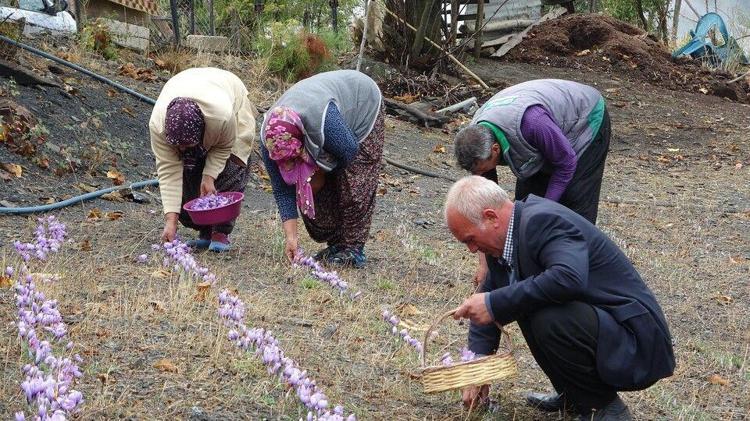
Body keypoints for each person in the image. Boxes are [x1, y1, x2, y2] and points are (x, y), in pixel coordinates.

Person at [443, 176, 675, 421]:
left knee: (546, 316)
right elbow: (490, 300)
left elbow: (569, 278)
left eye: (469, 239)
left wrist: (494, 303)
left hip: (636, 341)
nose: (471, 249)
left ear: (491, 218)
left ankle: (604, 408)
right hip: (607, 330)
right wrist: (478, 367)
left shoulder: (542, 221)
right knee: (525, 300)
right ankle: (575, 394)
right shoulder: (501, 243)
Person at [453, 79, 611, 285]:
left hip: (586, 120)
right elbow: (486, 211)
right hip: (541, 132)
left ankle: (577, 276)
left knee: (573, 206)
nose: (479, 175)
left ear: (494, 150)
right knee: (524, 208)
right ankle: (529, 277)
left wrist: (544, 210)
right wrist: (484, 265)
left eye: (481, 169)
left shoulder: (532, 123)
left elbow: (566, 163)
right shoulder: (477, 136)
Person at [261, 69, 384, 268]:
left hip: (361, 103)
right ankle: (337, 243)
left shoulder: (323, 121)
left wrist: (320, 171)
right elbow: (283, 190)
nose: (288, 165)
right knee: (307, 188)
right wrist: (291, 237)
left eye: (292, 158)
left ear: (302, 141)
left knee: (354, 182)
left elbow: (349, 151)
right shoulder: (269, 142)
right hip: (320, 124)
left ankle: (353, 247)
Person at [150, 67, 256, 252]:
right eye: (178, 146)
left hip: (229, 96)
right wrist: (171, 221)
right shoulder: (158, 126)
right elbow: (169, 173)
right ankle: (205, 230)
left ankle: (221, 231)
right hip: (188, 85)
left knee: (232, 165)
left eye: (188, 144)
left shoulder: (221, 117)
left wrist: (209, 176)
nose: (182, 149)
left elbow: (224, 147)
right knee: (189, 172)